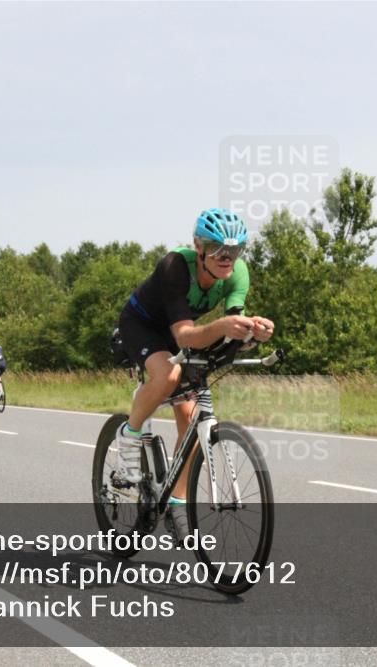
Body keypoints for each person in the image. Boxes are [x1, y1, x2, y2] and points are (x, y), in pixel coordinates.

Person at [114, 208, 274, 536]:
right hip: (142, 326)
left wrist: (251, 333)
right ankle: (129, 436)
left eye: (235, 251)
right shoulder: (175, 266)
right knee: (168, 376)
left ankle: (176, 503)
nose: (226, 258)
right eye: (217, 249)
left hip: (180, 331)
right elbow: (185, 336)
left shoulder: (238, 274)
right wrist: (222, 325)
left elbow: (230, 331)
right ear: (199, 247)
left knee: (192, 418)